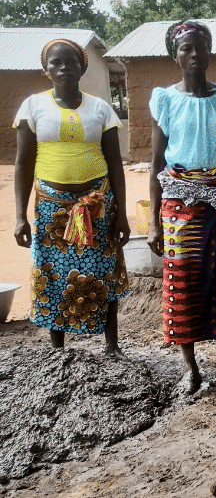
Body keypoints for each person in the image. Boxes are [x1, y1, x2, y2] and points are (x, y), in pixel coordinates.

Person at [147, 21, 216, 393]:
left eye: (200, 47)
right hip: (181, 203)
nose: (194, 54)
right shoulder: (165, 99)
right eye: (186, 49)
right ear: (175, 55)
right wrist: (154, 222)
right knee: (183, 283)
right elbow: (157, 162)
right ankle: (190, 367)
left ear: (210, 52)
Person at [13, 39, 130, 355]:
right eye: (56, 62)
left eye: (71, 62)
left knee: (103, 269)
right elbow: (23, 163)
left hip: (98, 206)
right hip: (53, 209)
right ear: (46, 70)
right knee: (54, 273)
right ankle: (58, 348)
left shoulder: (100, 108)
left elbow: (116, 164)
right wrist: (20, 216)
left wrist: (122, 212)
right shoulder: (33, 107)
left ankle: (112, 345)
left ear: (82, 67)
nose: (64, 67)